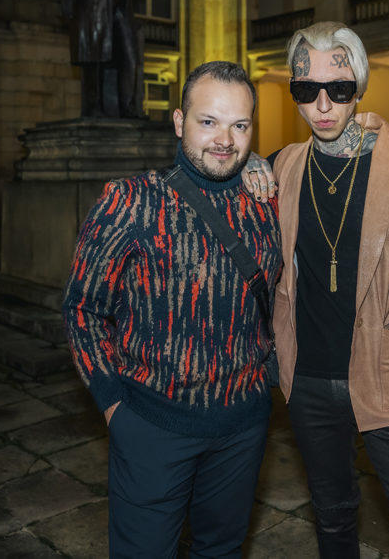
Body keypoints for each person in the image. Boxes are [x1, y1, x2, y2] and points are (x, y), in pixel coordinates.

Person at [242, 22, 389, 558]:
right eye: (306, 89)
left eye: (337, 89)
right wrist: (250, 161)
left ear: (359, 87)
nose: (322, 104)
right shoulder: (283, 166)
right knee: (333, 519)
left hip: (386, 372)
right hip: (308, 380)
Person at [61, 61, 282, 558]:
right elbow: (82, 308)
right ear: (180, 122)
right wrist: (113, 403)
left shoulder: (268, 202)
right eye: (208, 122)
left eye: (239, 125)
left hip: (242, 427)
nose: (224, 139)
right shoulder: (131, 202)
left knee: (222, 551)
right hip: (151, 427)